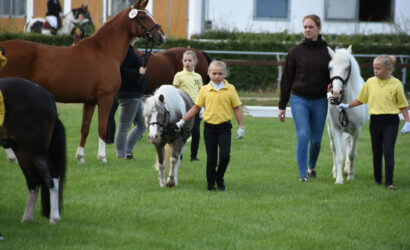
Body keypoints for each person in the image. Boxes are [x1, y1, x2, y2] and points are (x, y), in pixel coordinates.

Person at [337, 55, 410, 190]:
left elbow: (402, 105)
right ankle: (377, 179)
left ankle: (389, 182)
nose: (375, 71)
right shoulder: (370, 82)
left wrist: (407, 121)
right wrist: (346, 105)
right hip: (375, 121)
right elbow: (360, 100)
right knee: (376, 151)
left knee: (388, 151)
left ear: (388, 69)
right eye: (374, 68)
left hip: (391, 121)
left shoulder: (396, 84)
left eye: (378, 68)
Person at [176, 60, 245, 191]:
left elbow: (236, 108)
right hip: (209, 129)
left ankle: (219, 178)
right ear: (208, 73)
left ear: (225, 74)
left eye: (220, 73)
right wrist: (182, 121)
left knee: (225, 156)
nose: (217, 76)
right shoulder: (204, 90)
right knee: (211, 159)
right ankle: (210, 184)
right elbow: (195, 108)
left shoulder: (230, 89)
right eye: (214, 73)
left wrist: (241, 127)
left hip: (225, 128)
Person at [277, 14, 331, 183]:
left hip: (320, 101)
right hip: (299, 99)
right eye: (305, 27)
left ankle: (311, 167)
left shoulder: (329, 52)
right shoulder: (295, 51)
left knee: (315, 140)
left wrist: (332, 86)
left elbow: (336, 76)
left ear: (319, 28)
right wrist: (282, 106)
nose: (307, 30)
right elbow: (286, 80)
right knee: (302, 136)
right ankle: (302, 175)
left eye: (311, 27)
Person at [115, 44, 147, 159]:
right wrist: (138, 72)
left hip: (135, 94)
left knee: (142, 124)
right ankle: (121, 155)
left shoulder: (129, 49)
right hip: (129, 93)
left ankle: (127, 151)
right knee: (124, 126)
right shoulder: (125, 51)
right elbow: (121, 70)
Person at [173, 50, 203, 162]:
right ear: (182, 62)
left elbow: (201, 92)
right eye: (185, 60)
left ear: (195, 62)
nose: (187, 62)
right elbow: (175, 91)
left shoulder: (198, 77)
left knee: (195, 133)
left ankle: (193, 156)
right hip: (182, 108)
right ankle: (179, 154)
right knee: (182, 132)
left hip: (195, 108)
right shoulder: (178, 75)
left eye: (190, 60)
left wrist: (202, 107)